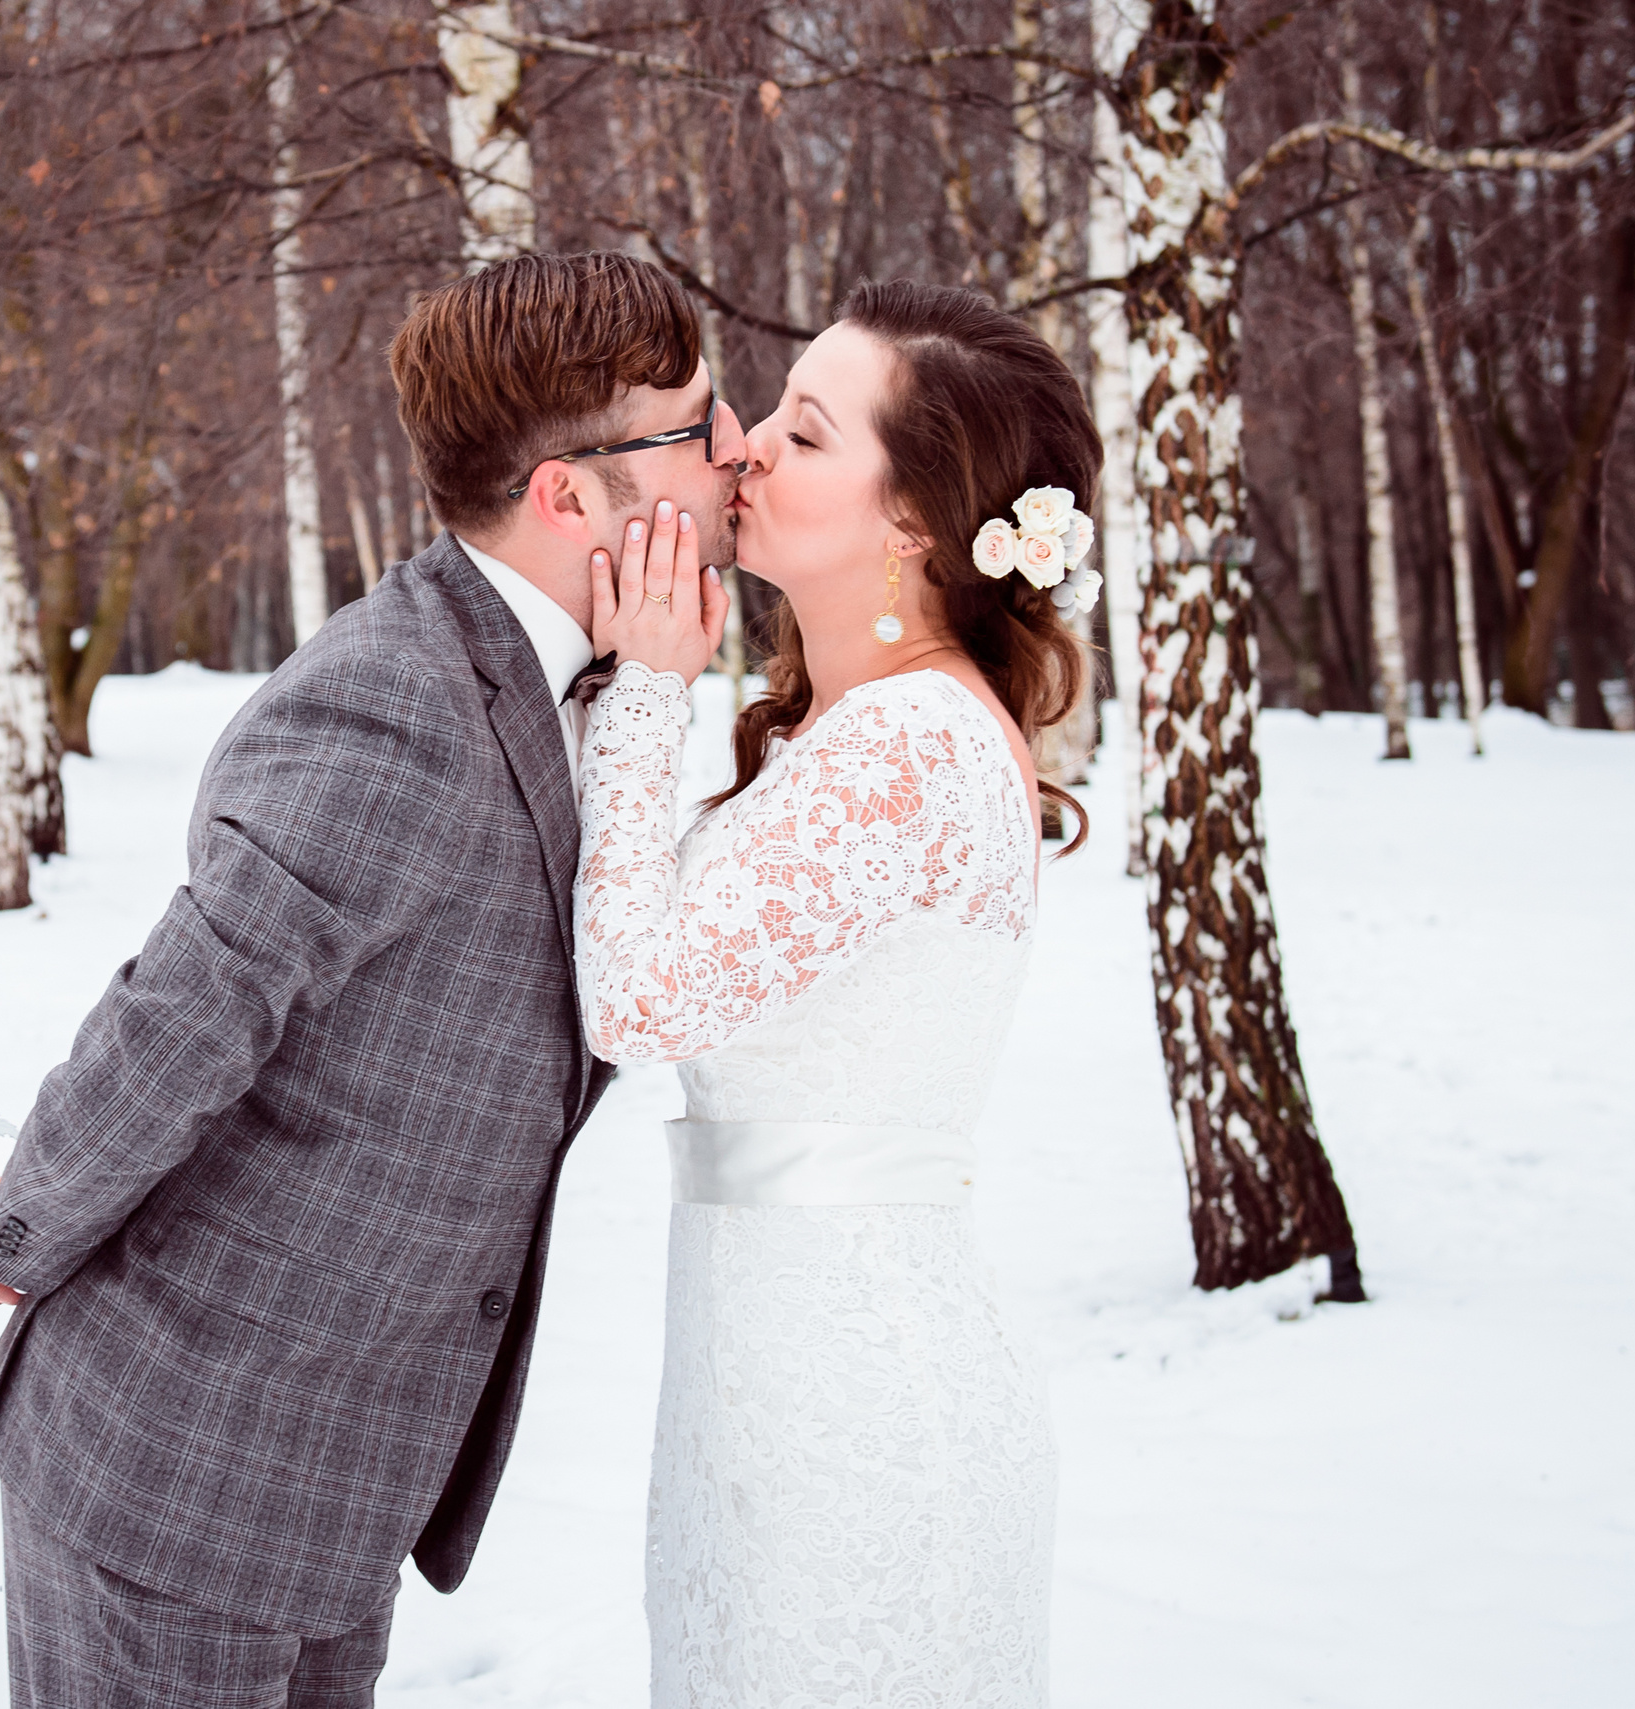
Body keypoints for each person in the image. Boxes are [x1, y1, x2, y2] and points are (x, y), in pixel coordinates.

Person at [0, 250, 746, 1708]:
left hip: (330, 1492)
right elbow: (188, 1007)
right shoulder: (391, 699)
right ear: (571, 498)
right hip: (175, 1478)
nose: (740, 448)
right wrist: (7, 1232)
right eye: (696, 428)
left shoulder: (582, 674)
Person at [575, 279, 1103, 1707]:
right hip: (761, 1385)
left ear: (918, 519)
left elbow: (637, 1000)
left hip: (858, 1416)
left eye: (804, 436)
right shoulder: (850, 728)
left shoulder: (915, 748)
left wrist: (643, 690)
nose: (742, 448)